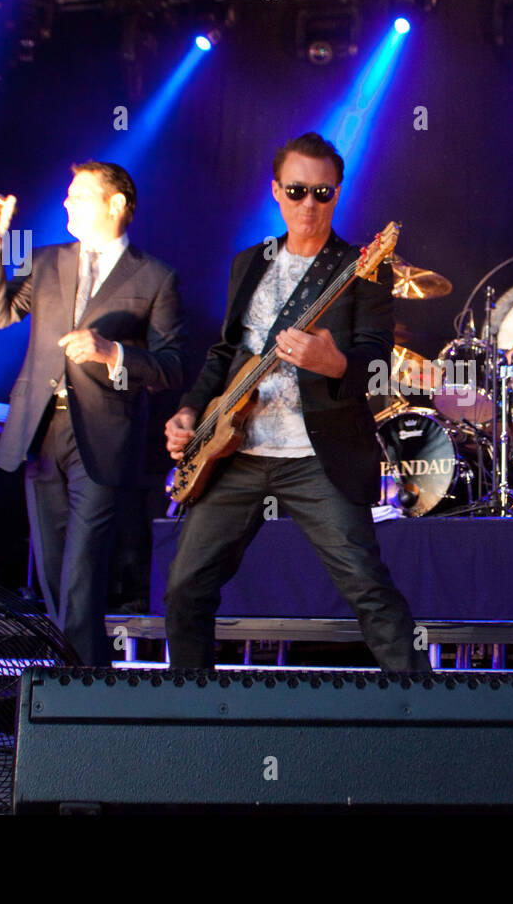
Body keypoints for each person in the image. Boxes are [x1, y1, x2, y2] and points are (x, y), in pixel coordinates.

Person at [163, 132, 431, 672]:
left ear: (337, 194)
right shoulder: (249, 262)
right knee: (185, 591)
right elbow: (224, 353)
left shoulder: (363, 267)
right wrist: (192, 411)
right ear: (276, 192)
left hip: (317, 457)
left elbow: (377, 362)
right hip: (234, 452)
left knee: (369, 592)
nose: (309, 203)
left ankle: (425, 720)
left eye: (323, 192)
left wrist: (334, 363)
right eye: (297, 189)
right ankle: (187, 718)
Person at [0, 161, 186, 664]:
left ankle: (79, 688)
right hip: (42, 428)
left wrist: (113, 353)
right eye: (67, 194)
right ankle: (83, 676)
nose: (67, 202)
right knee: (50, 565)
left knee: (81, 569)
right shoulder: (46, 261)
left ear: (116, 204)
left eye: (80, 194)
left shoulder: (155, 276)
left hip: (105, 435)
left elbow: (173, 366)